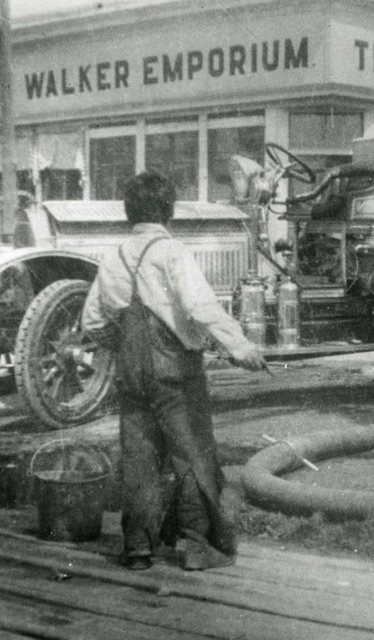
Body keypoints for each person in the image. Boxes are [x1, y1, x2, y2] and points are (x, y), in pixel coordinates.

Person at [82, 172, 266, 571]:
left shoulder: (113, 257)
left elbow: (92, 322)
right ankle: (200, 547)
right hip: (176, 373)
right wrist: (241, 347)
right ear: (169, 211)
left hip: (131, 375)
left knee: (139, 458)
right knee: (193, 455)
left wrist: (127, 349)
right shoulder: (172, 253)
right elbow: (201, 308)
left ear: (129, 212)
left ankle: (137, 549)